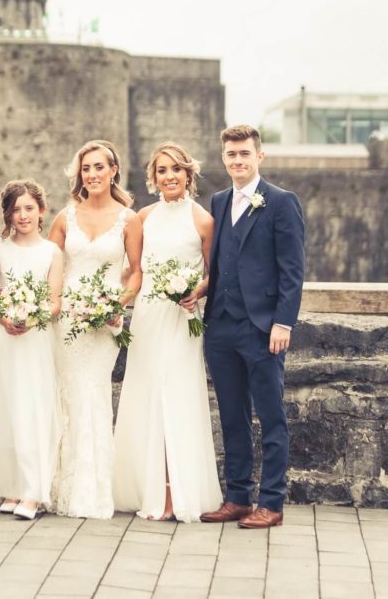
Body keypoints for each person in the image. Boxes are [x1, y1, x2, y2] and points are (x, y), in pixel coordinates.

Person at [200, 124, 305, 529]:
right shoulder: (220, 200)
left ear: (259, 156)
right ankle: (238, 496)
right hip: (221, 326)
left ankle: (273, 503)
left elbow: (292, 270)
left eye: (244, 153)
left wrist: (283, 322)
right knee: (231, 415)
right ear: (224, 158)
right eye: (231, 155)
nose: (237, 161)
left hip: (263, 329)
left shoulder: (281, 201)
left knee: (270, 415)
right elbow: (220, 259)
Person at [112, 143, 221, 522]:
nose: (169, 176)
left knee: (176, 397)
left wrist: (196, 292)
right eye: (161, 170)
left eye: (176, 169)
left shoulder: (202, 220)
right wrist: (114, 301)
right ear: (153, 177)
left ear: (188, 175)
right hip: (148, 316)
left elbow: (212, 273)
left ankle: (177, 492)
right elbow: (134, 270)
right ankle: (148, 487)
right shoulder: (143, 216)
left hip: (182, 320)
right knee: (146, 396)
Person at [48, 140, 142, 519]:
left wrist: (115, 305)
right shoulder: (63, 217)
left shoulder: (129, 219)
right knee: (62, 393)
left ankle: (89, 488)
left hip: (104, 324)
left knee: (91, 393)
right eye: (86, 168)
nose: (93, 174)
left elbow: (136, 272)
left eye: (100, 167)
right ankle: (50, 481)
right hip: (66, 319)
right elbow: (47, 265)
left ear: (113, 170)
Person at [0, 180, 63, 520]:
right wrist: (4, 315)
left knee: (32, 409)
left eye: (29, 208)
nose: (22, 215)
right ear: (7, 214)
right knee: (3, 408)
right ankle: (9, 485)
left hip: (34, 339)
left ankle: (33, 491)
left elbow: (54, 302)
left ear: (41, 211)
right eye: (15, 209)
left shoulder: (52, 252)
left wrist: (31, 317)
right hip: (1, 335)